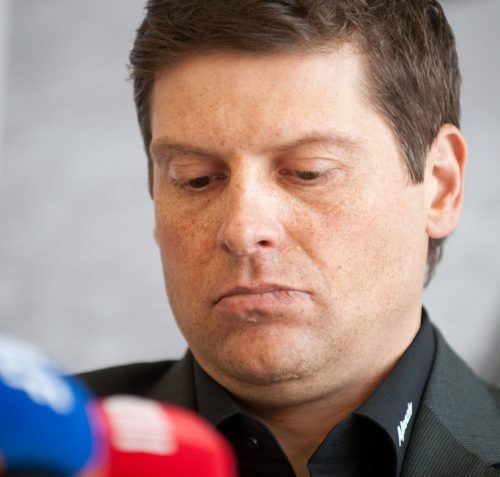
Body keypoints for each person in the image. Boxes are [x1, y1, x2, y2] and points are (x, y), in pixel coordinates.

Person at [80, 1, 500, 476]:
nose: (242, 229)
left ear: (441, 186)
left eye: (308, 172)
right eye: (195, 178)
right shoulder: (39, 452)